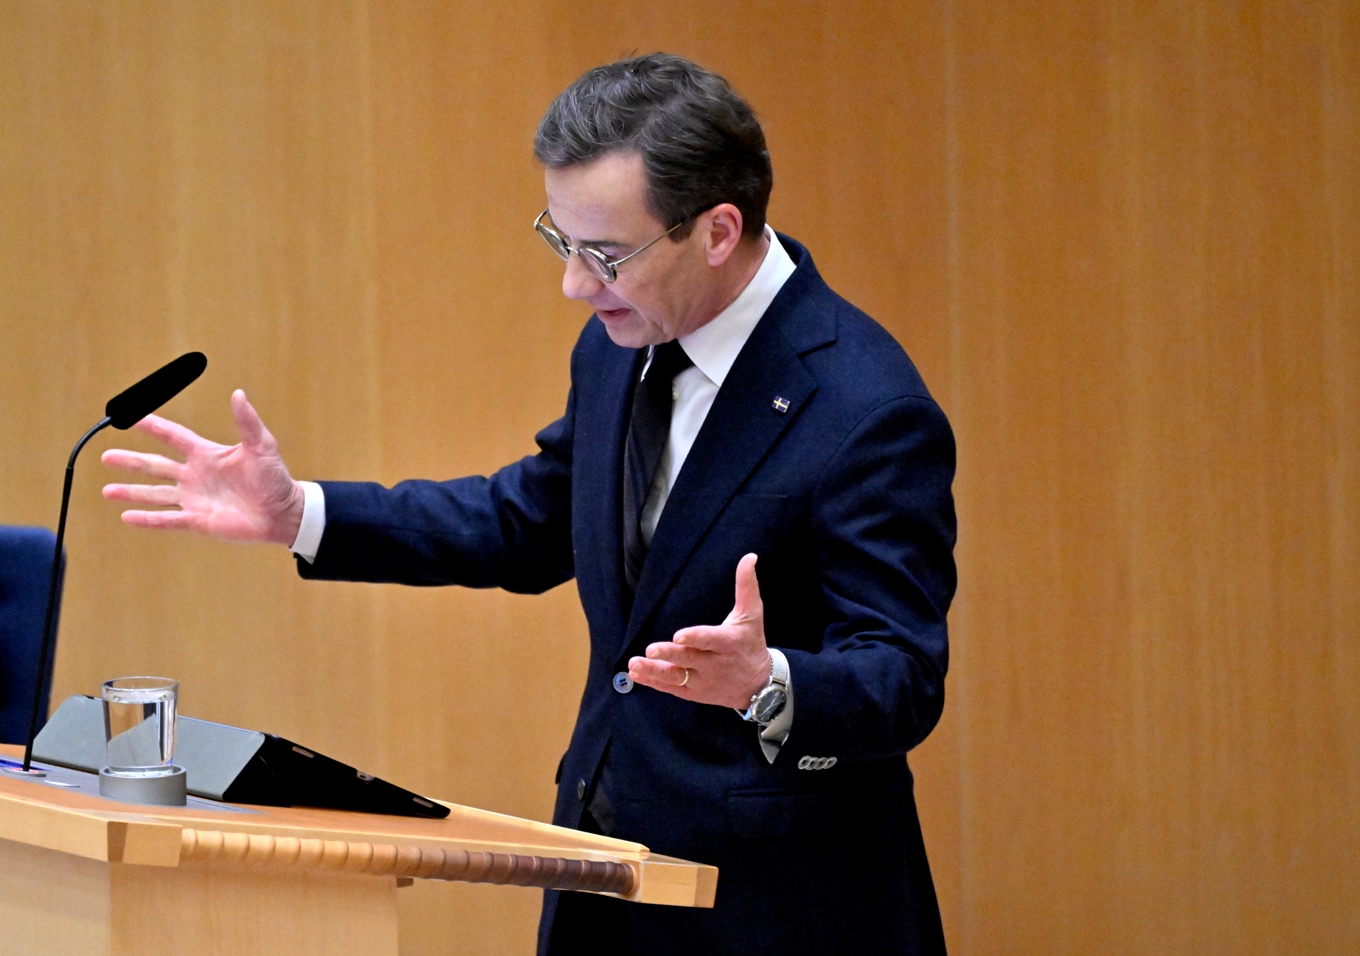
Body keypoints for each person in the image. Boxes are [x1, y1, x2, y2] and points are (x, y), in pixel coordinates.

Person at [102, 54, 957, 955]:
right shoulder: (621, 346)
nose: (576, 286)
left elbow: (903, 676)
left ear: (717, 230)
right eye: (562, 241)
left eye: (607, 256)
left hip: (781, 908)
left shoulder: (866, 405)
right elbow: (527, 521)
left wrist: (768, 683)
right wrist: (302, 514)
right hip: (602, 872)